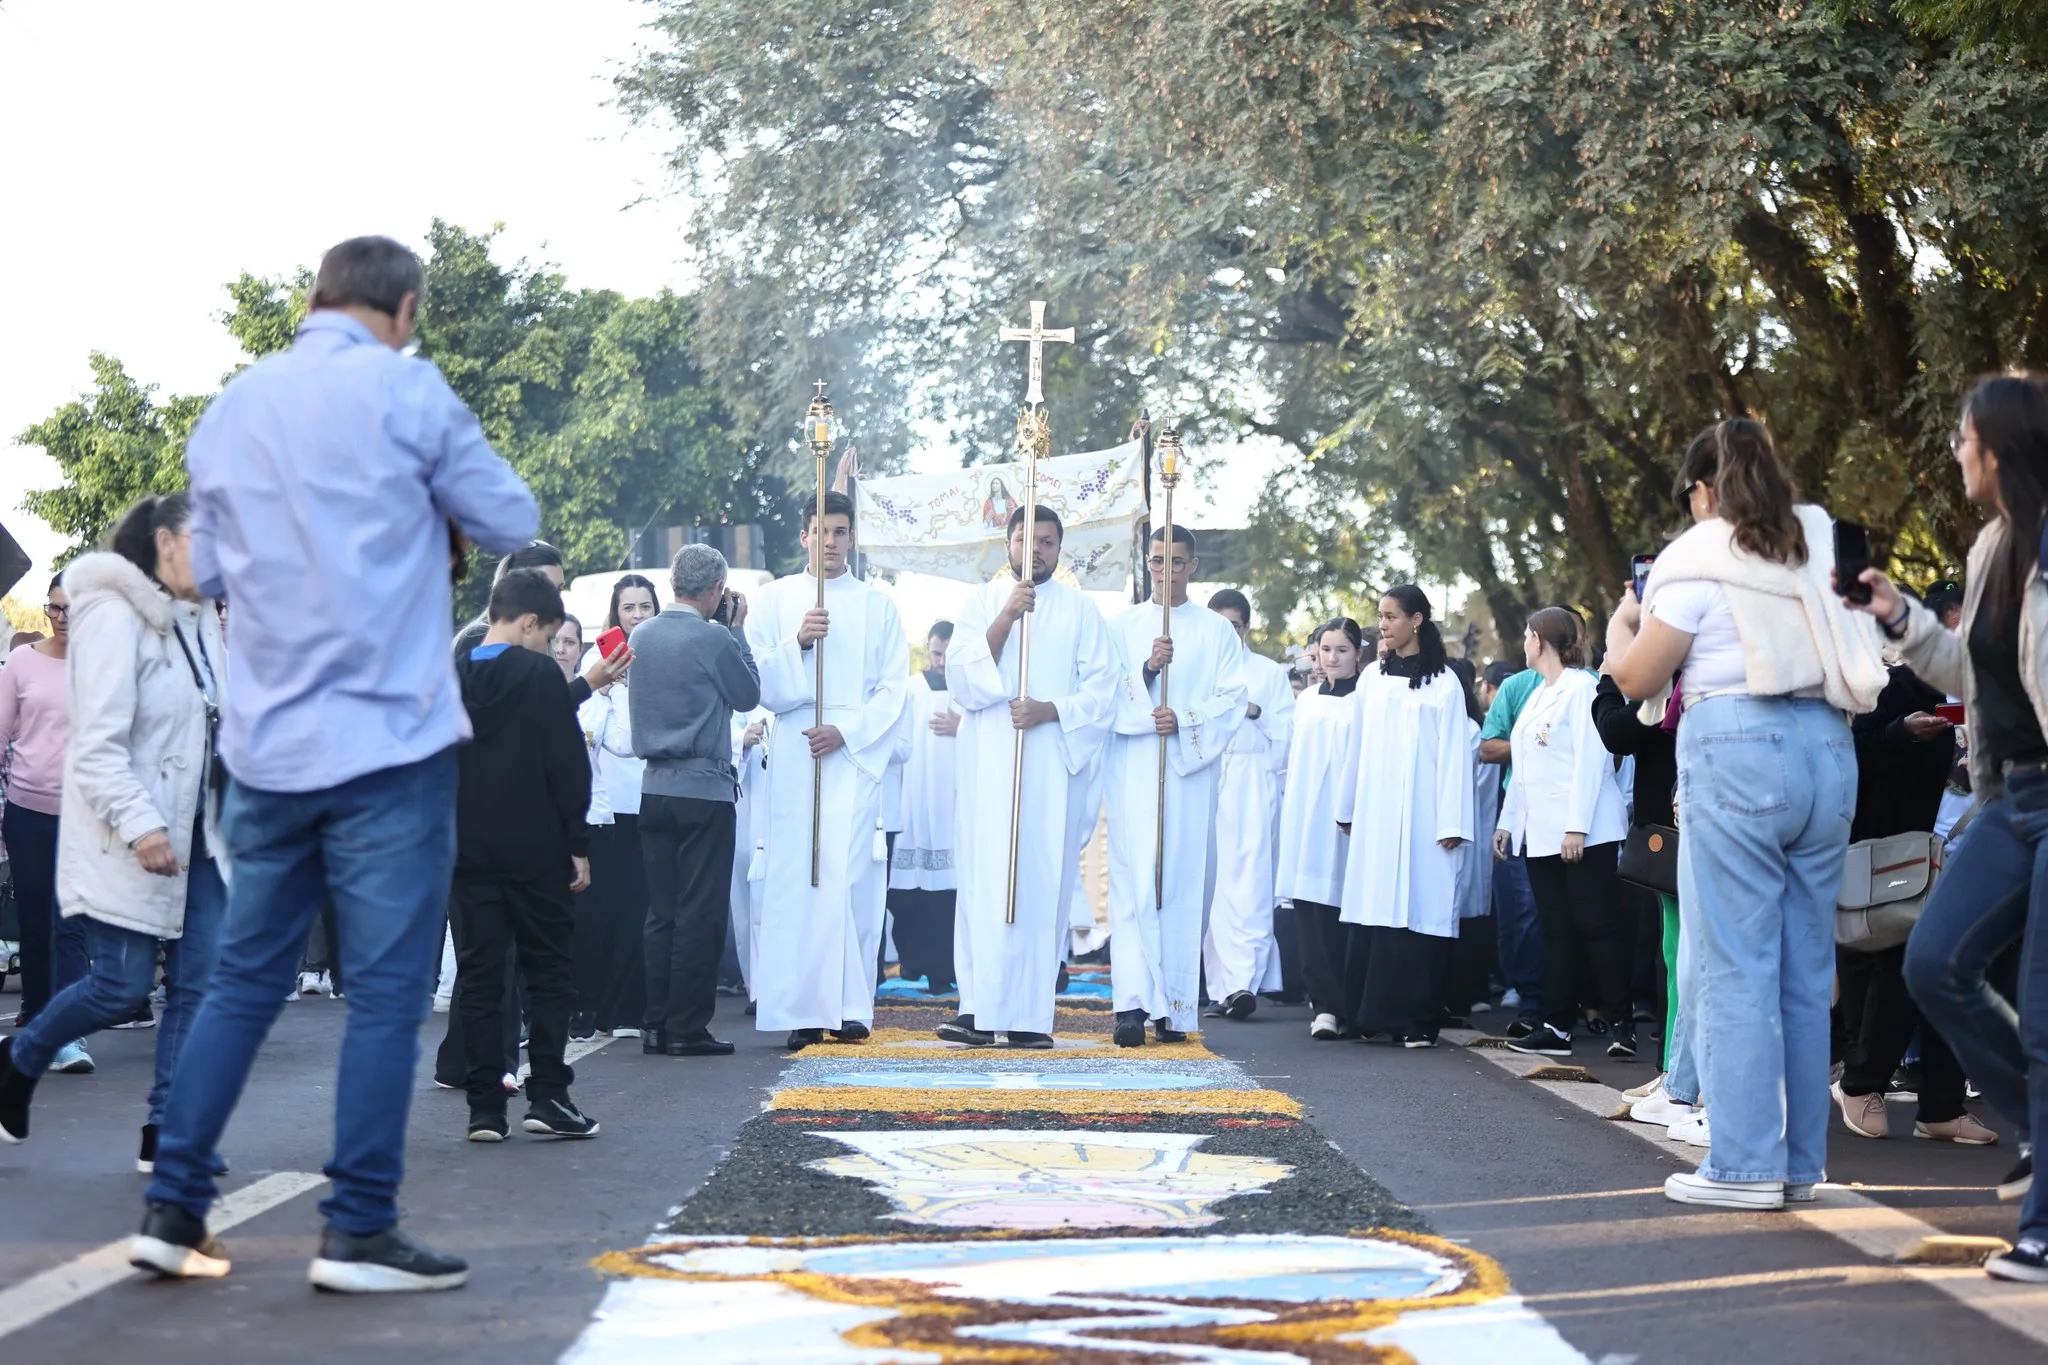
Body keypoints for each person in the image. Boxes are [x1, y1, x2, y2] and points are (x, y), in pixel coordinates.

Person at [139, 234, 541, 1291]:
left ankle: (174, 1205)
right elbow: (513, 520)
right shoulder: (410, 393)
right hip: (388, 743)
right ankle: (357, 1226)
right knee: (386, 993)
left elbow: (206, 568)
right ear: (403, 310)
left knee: (242, 980)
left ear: (317, 298)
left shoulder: (237, 404)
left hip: (267, 743)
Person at [1607, 417, 1885, 1213]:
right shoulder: (1815, 540)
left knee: (1733, 962)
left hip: (1737, 744)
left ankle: (1742, 1164)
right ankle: (1797, 1163)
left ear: (1704, 489)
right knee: (1805, 970)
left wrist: (1624, 621)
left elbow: (1639, 677)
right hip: (1828, 746)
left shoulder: (1696, 552)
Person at [1849, 373, 2048, 1281]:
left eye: (1964, 437)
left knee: (2040, 1013)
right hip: (2011, 797)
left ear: (1997, 447)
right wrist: (1900, 618)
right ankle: (2040, 1125)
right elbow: (1971, 670)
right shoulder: (1994, 545)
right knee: (1934, 960)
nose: (1956, 451)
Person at [0, 495, 228, 1174]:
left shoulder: (204, 623)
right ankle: (20, 1057)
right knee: (121, 988)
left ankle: (169, 1130)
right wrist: (142, 824)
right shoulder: (114, 621)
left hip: (206, 834)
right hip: (131, 833)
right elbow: (96, 746)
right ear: (166, 543)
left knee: (195, 985)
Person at [941, 506, 1118, 1047]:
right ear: (1008, 544)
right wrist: (1006, 618)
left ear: (1059, 549)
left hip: (1048, 772)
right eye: (1025, 539)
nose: (1035, 550)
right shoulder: (981, 603)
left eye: (1046, 541)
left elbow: (1103, 690)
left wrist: (1050, 710)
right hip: (989, 765)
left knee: (1039, 884)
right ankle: (977, 1009)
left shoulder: (1081, 611)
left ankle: (1028, 1018)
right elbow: (962, 681)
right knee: (984, 882)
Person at [746, 491, 908, 1050]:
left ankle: (848, 1006)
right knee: (800, 879)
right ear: (805, 536)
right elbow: (757, 679)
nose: (831, 542)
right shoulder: (774, 599)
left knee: (849, 878)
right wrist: (797, 643)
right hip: (796, 750)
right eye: (822, 531)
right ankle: (802, 1008)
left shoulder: (878, 606)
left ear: (852, 538)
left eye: (841, 532)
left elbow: (893, 689)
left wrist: (846, 732)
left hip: (852, 755)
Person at [448, 568, 599, 1142]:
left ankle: (485, 1109)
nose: (549, 648)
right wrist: (577, 843)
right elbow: (567, 764)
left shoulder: (455, 674)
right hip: (537, 849)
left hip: (468, 852)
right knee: (548, 973)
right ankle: (549, 1096)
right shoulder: (538, 676)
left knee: (481, 977)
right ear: (530, 622)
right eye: (548, 636)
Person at [1832, 662, 1996, 1145]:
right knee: (1901, 969)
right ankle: (1862, 1083)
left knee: (1961, 973)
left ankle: (1942, 1105)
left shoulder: (2005, 687)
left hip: (1980, 852)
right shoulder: (1899, 685)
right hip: (1905, 857)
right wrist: (1900, 733)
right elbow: (1852, 755)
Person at [1105, 527, 1247, 1047]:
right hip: (1135, 769)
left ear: (1193, 566)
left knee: (1184, 884)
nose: (1166, 571)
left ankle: (1176, 1008)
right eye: (1158, 561)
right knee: (1134, 884)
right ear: (1148, 563)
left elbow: (1232, 699)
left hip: (1188, 776)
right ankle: (1131, 1004)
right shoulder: (1121, 627)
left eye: (1177, 562)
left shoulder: (1217, 632)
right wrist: (1147, 670)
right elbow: (1104, 692)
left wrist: (1183, 719)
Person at [630, 543, 760, 1056]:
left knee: (660, 911)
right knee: (699, 912)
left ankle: (655, 1022)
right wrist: (737, 630)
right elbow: (748, 694)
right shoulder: (713, 638)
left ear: (672, 583)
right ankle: (687, 1027)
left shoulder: (642, 634)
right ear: (716, 589)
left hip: (653, 786)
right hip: (703, 788)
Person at [1334, 587, 1474, 1047]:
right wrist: (1347, 806)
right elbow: (1356, 745)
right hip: (1376, 812)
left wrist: (1452, 821)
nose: (1383, 625)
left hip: (1423, 814)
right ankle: (1369, 1016)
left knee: (1419, 908)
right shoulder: (1372, 678)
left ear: (1416, 620)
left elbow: (1454, 755)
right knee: (1374, 905)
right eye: (1380, 616)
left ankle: (1416, 1019)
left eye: (1391, 616)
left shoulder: (1445, 683)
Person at [1497, 608, 1634, 1059]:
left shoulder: (1582, 687)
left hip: (1585, 831)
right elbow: (1524, 767)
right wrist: (1508, 821)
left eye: (1527, 635)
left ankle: (1623, 1023)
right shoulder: (1539, 693)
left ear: (1540, 639)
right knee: (1556, 930)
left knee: (1597, 926)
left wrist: (1576, 827)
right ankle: (1557, 1026)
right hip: (1541, 833)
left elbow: (1591, 761)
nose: (1524, 642)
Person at [0, 575, 92, 1072]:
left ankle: (69, 1035)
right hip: (28, 812)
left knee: (71, 925)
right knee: (36, 927)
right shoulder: (21, 663)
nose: (61, 618)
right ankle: (39, 1020)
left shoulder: (106, 666)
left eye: (71, 609)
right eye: (54, 608)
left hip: (85, 816)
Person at [1201, 588, 1295, 1021]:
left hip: (1252, 779)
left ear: (1246, 627)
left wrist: (1255, 711)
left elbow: (1287, 733)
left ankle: (1245, 982)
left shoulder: (1267, 672)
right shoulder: (1197, 669)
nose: (1228, 634)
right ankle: (1219, 985)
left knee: (1250, 881)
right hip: (1206, 775)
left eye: (1234, 627)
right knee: (1214, 884)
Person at [573, 574, 658, 1039]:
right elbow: (592, 731)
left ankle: (629, 1009)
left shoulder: (662, 653)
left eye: (645, 606)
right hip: (606, 807)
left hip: (651, 797)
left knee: (639, 910)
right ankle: (591, 1008)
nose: (637, 615)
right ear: (615, 612)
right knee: (602, 911)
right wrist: (607, 689)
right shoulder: (596, 662)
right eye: (629, 607)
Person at [1274, 619, 1361, 1039]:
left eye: (1342, 650)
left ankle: (1351, 1005)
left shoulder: (1366, 700)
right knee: (1309, 908)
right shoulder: (1306, 700)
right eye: (1326, 650)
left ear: (1358, 653)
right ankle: (1324, 1006)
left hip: (1347, 819)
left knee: (1345, 911)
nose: (1332, 658)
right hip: (1306, 816)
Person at [889, 622, 962, 994]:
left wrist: (962, 726)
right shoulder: (911, 689)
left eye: (949, 655)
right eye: (936, 654)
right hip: (914, 798)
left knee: (948, 890)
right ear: (927, 649)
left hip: (954, 802)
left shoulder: (970, 693)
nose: (942, 662)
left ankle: (943, 967)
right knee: (907, 888)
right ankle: (912, 959)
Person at [1479, 657, 1544, 1022]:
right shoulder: (1518, 687)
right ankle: (1525, 993)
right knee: (1522, 909)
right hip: (1519, 813)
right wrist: (1529, 742)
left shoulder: (1588, 683)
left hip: (1574, 819)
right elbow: (1488, 749)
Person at [551, 615, 584, 682]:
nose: (560, 650)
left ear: (580, 649)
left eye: (569, 642)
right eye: (554, 641)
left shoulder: (589, 687)